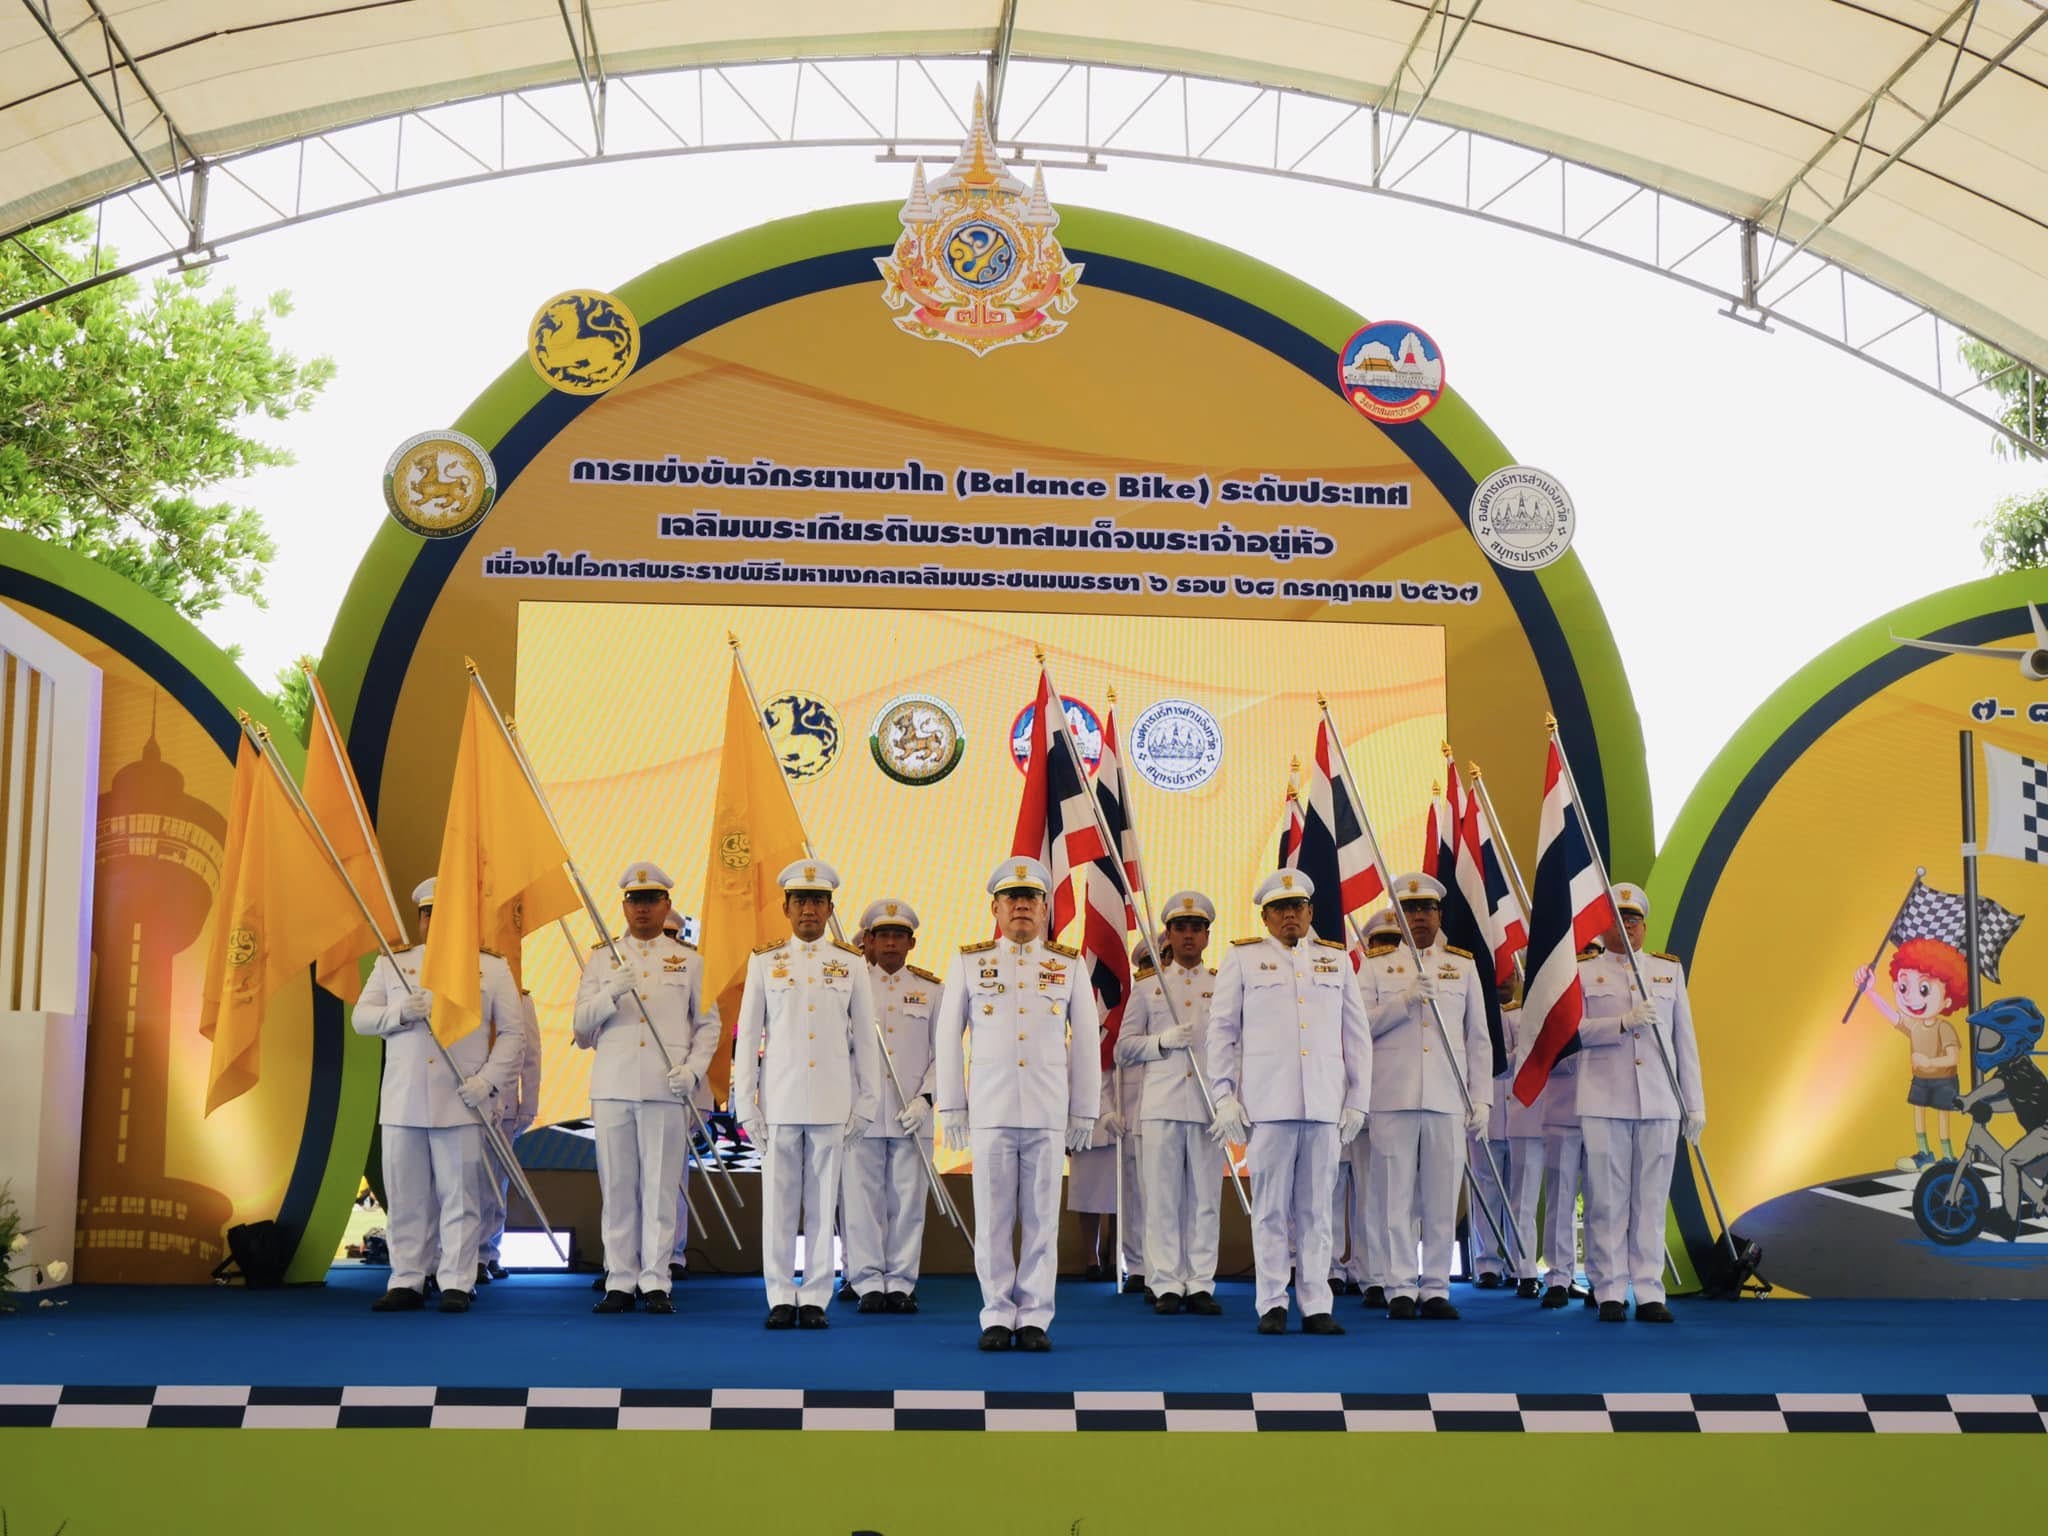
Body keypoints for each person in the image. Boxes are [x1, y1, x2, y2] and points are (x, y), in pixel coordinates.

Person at [935, 857, 1100, 1352]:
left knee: (1042, 1219)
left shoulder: (1068, 965)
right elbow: (948, 1038)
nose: (1022, 906)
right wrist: (953, 1107)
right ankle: (995, 1313)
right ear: (996, 908)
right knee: (992, 1218)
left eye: (1031, 898)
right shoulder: (971, 962)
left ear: (1046, 908)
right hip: (991, 1110)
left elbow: (1086, 1042)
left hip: (1047, 1111)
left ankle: (1033, 1316)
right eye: (1012, 898)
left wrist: (1083, 1110)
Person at [1205, 870, 1371, 1336]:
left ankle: (1317, 1304)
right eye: (1279, 909)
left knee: (1318, 1210)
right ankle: (1272, 1302)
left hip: (1323, 1103)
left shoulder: (1335, 960)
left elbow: (1356, 1034)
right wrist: (1223, 1095)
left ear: (1311, 911)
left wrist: (1358, 1099)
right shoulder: (1243, 958)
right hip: (1268, 1104)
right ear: (1265, 917)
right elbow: (1221, 1031)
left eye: (1297, 906)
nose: (1289, 915)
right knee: (1271, 1210)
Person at [353, 877, 525, 1314]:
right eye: (427, 914)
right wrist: (398, 1013)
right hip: (404, 1100)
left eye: (443, 913)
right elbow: (361, 1018)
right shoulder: (395, 963)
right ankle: (407, 1279)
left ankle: (457, 1281)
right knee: (406, 1198)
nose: (433, 921)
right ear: (420, 920)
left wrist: (487, 1081)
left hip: (461, 1099)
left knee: (461, 1198)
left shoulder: (491, 968)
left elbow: (513, 1034)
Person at [734, 860, 880, 1331]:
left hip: (832, 1101)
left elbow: (866, 1039)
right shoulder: (764, 961)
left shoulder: (851, 963)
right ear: (786, 908)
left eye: (818, 901)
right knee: (778, 1205)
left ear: (830, 908)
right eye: (801, 901)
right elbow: (748, 1037)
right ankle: (780, 1295)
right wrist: (746, 1104)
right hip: (780, 1100)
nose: (809, 910)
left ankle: (815, 1295)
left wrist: (868, 1102)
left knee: (822, 1205)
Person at [573, 862, 720, 1317]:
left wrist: (693, 1071)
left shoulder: (690, 960)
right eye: (635, 901)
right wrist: (610, 994)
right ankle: (619, 1280)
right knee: (618, 1189)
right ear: (623, 907)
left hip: (665, 1086)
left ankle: (656, 1280)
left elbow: (709, 1025)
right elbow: (580, 1030)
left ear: (666, 905)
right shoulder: (603, 960)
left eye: (652, 900)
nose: (643, 909)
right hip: (614, 1086)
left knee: (660, 1189)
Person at [1359, 874, 1491, 1321]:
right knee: (1394, 1197)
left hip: (1446, 1096)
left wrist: (1482, 1098)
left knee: (1440, 1197)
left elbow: (1478, 1039)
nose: (1418, 917)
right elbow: (1357, 1027)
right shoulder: (1375, 966)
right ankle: (1398, 1285)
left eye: (1427, 909)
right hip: (1392, 1095)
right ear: (1397, 916)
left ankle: (1435, 1287)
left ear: (1439, 914)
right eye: (1410, 909)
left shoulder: (1462, 965)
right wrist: (1404, 1001)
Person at [1575, 882, 1705, 1323]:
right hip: (1604, 1098)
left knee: (1650, 1202)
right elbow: (1570, 1033)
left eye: (1633, 919)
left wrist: (1694, 1104)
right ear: (1603, 926)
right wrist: (1621, 1022)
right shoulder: (1583, 971)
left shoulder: (1667, 970)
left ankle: (1649, 1290)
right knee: (1606, 1201)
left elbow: (1684, 1041)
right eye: (1618, 918)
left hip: (1659, 1100)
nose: (1627, 926)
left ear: (1644, 927)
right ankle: (1609, 1290)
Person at [1117, 890, 1224, 1316]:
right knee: (1161, 1199)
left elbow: (1237, 1047)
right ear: (1168, 935)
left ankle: (1199, 1282)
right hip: (1161, 1104)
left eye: (1197, 928)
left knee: (1205, 1199)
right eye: (1180, 928)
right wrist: (1160, 1042)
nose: (1188, 936)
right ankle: (1164, 1282)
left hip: (1207, 1105)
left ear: (1207, 936)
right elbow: (1123, 1048)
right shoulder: (1149, 987)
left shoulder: (1221, 985)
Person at [841, 897, 944, 1314]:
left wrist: (926, 1100)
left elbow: (944, 1054)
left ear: (911, 943)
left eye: (898, 936)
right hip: (860, 1114)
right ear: (868, 940)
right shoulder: (848, 987)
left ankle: (901, 1281)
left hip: (910, 1114)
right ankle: (867, 1281)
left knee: (907, 1203)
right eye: (882, 935)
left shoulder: (931, 990)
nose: (889, 943)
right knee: (861, 1203)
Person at [1852, 939, 1966, 1172]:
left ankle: (1948, 1156)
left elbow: (1954, 1058)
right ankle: (1924, 1153)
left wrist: (1930, 1062)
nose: (1911, 998)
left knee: (1943, 1116)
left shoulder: (1944, 1028)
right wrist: (1870, 992)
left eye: (1924, 989)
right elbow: (1892, 1015)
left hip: (1944, 1080)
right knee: (1919, 1113)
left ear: (1947, 999)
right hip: (1921, 1078)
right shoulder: (1914, 1026)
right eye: (1904, 987)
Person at [1341, 907, 1400, 1309]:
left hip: (1401, 1102)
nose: (1388, 949)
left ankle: (1395, 1273)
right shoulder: (1364, 975)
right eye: (1381, 942)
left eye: (1394, 942)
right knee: (1368, 1193)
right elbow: (1361, 1026)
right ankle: (1371, 1275)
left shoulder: (1417, 974)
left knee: (1400, 1196)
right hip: (1365, 1101)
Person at [476, 986, 543, 1282]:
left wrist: (528, 1105)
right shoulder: (453, 984)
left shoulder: (519, 997)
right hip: (458, 1102)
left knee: (494, 1185)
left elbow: (531, 1055)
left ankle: (487, 1253)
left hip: (503, 1103)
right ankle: (455, 1254)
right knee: (460, 1184)